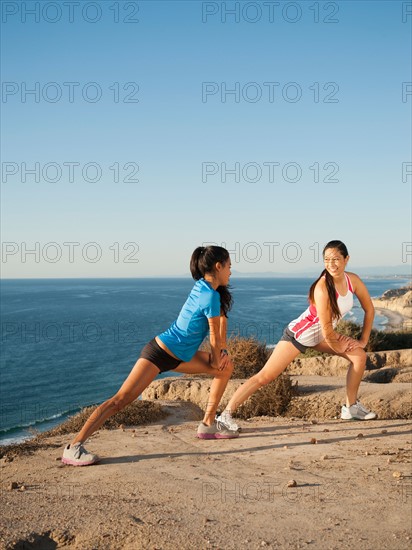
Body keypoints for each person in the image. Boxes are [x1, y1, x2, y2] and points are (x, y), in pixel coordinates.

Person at [62, 246, 238, 466]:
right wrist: (216, 358)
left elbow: (218, 336)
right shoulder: (209, 295)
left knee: (226, 367)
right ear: (218, 266)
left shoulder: (204, 288)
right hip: (158, 353)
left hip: (180, 356)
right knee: (120, 401)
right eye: (229, 266)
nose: (231, 271)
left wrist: (222, 355)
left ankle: (208, 423)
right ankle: (74, 446)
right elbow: (213, 337)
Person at [217, 240, 377, 431]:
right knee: (265, 376)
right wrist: (340, 346)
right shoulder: (322, 287)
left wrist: (363, 340)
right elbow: (325, 328)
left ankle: (350, 408)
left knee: (359, 356)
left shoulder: (353, 281)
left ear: (346, 259)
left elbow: (369, 309)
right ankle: (225, 415)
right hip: (299, 335)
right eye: (327, 259)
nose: (331, 264)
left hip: (324, 336)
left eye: (336, 259)